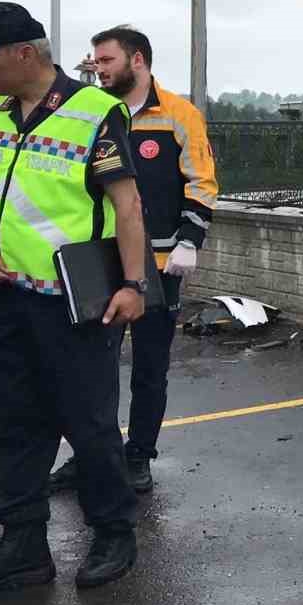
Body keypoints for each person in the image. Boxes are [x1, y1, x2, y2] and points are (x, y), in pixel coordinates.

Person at [0, 2, 147, 600]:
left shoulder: (94, 111)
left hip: (72, 301)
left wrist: (133, 285)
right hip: (3, 295)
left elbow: (128, 205)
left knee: (89, 423)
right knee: (15, 426)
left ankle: (113, 533)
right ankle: (23, 548)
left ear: (25, 54)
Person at [50, 26, 217, 495]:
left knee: (149, 366)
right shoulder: (94, 113)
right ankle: (90, 456)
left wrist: (190, 239)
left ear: (137, 60)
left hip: (159, 265)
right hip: (100, 261)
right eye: (96, 62)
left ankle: (139, 453)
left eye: (106, 61)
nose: (98, 70)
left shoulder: (180, 115)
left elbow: (202, 182)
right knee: (92, 368)